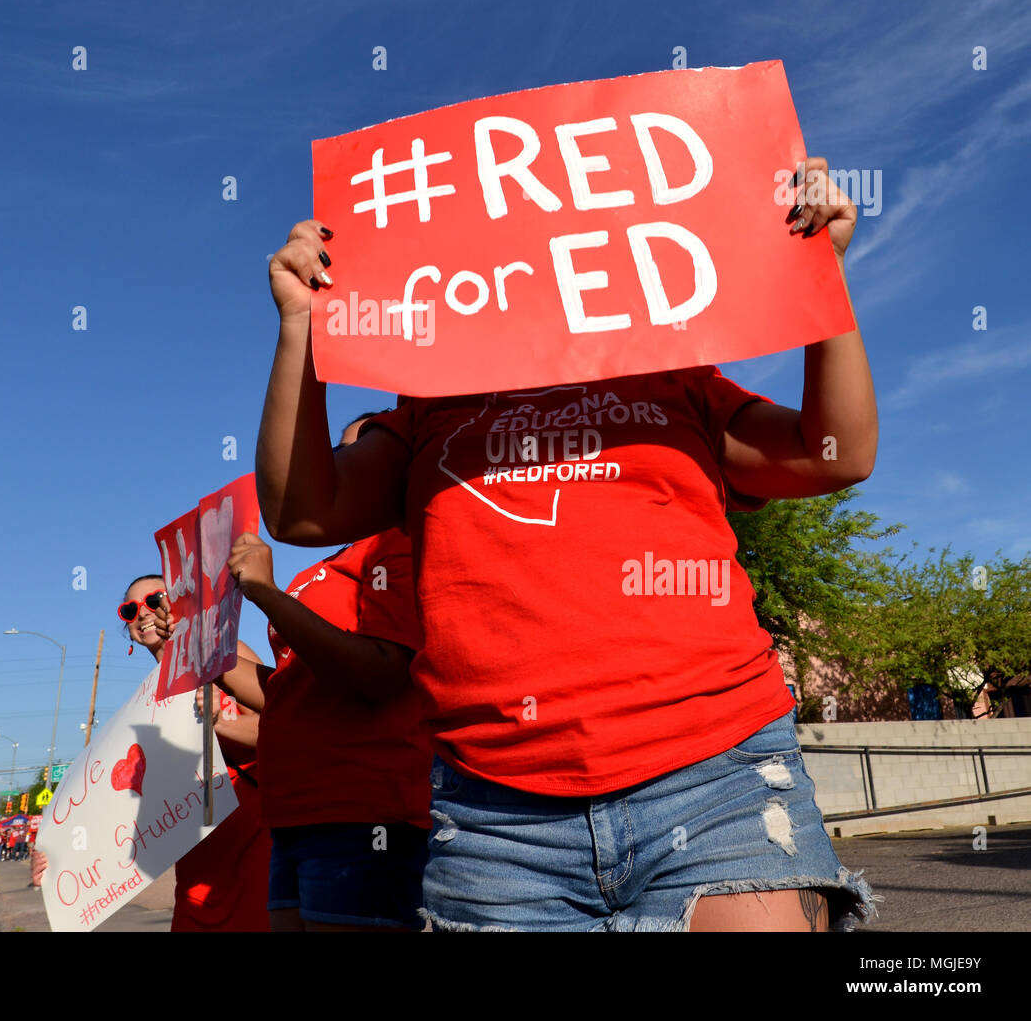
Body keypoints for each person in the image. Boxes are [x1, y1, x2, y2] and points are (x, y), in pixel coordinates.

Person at [255, 156, 879, 932]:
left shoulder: (670, 373)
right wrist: (300, 330)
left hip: (716, 770)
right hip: (497, 814)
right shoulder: (429, 405)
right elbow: (298, 510)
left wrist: (822, 276)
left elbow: (837, 453)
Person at [213, 414, 431, 932]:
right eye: (340, 450)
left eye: (366, 448)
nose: (341, 462)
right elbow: (284, 690)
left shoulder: (399, 548)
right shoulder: (327, 565)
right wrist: (190, 643)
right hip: (295, 816)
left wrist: (265, 595)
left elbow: (377, 673)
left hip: (362, 814)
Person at [32, 577, 271, 932]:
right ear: (128, 630)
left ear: (178, 602)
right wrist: (56, 855)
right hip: (196, 870)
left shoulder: (223, 653)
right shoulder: (144, 711)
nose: (142, 612)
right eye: (130, 609)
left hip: (255, 849)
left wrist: (221, 722)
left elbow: (287, 726)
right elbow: (114, 807)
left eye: (154, 599)